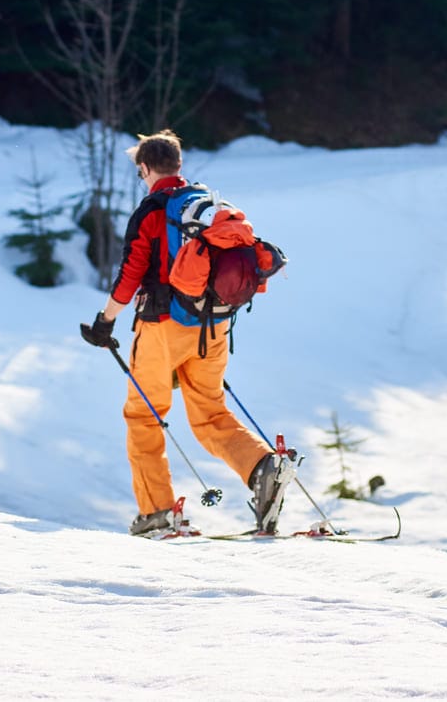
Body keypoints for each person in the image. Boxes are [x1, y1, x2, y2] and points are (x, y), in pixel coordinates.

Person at [80, 129, 293, 536]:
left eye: (140, 172)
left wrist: (105, 321)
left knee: (144, 415)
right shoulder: (206, 205)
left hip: (163, 326)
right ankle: (262, 466)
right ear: (178, 165)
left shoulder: (152, 210)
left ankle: (157, 511)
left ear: (145, 168)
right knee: (211, 413)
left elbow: (130, 275)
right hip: (214, 326)